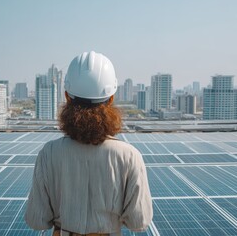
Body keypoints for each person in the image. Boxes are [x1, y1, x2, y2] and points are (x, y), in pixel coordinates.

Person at [25, 51, 152, 236]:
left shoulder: (49, 153)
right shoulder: (130, 156)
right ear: (111, 98)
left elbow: (37, 220)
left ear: (67, 96)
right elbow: (139, 221)